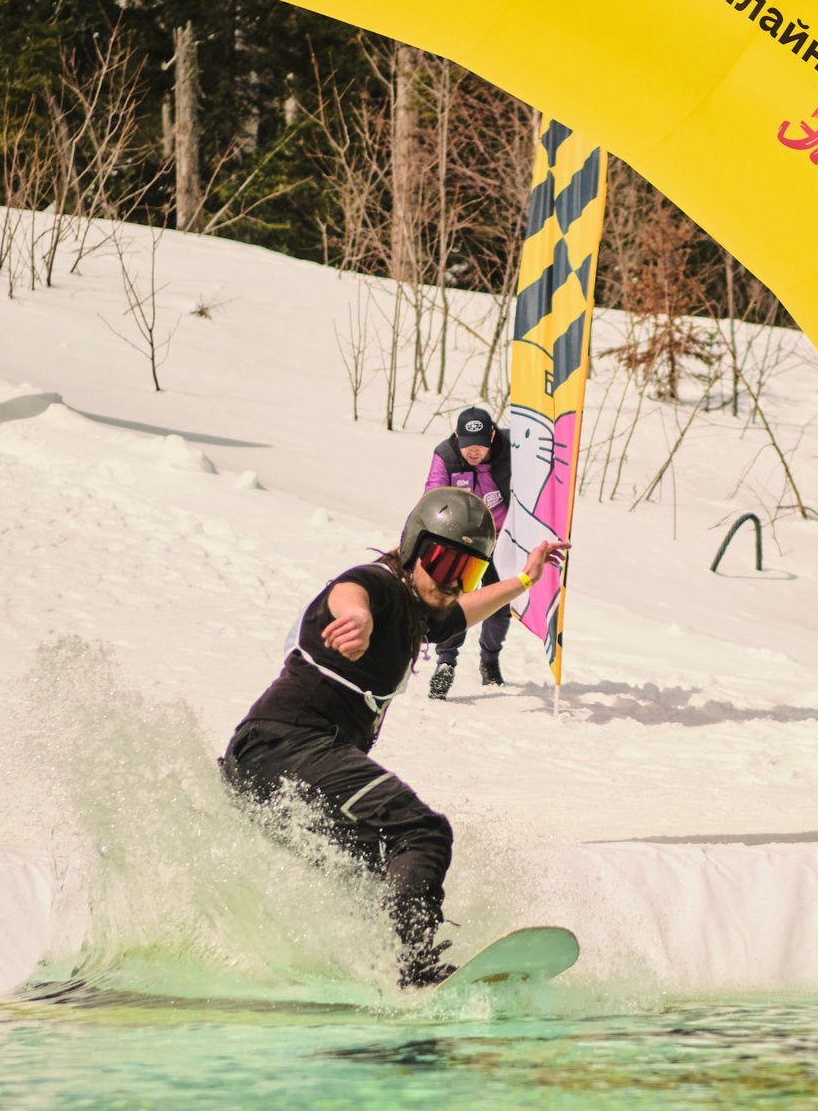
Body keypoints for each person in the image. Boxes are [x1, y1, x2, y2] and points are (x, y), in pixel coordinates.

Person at [220, 489, 563, 987]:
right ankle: (415, 969)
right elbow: (349, 590)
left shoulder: (418, 608)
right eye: (442, 561)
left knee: (374, 865)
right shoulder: (379, 587)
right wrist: (355, 617)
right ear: (411, 547)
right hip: (283, 746)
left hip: (274, 760)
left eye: (464, 572)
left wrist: (526, 578)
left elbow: (461, 613)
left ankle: (372, 965)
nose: (449, 581)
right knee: (421, 833)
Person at [423, 405, 513, 697]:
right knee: (452, 603)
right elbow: (433, 497)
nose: (473, 452)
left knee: (498, 606)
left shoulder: (512, 450)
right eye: (466, 445)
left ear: (492, 437)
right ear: (456, 436)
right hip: (461, 540)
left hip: (500, 540)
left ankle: (490, 660)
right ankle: (445, 663)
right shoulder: (446, 455)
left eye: (480, 446)